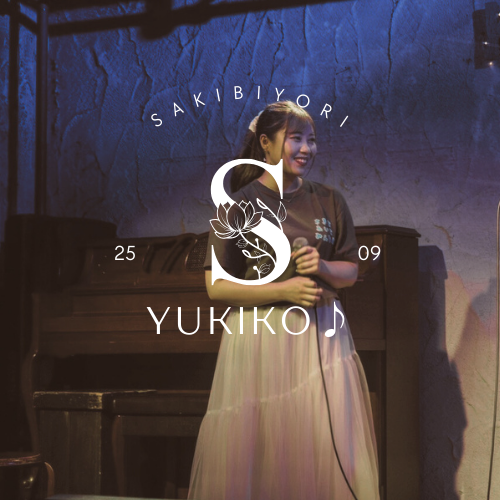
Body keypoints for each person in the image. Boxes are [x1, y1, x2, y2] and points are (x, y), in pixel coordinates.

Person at [187, 101, 380, 500]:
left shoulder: (329, 199)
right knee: (262, 445)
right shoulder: (237, 204)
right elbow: (216, 286)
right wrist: (284, 291)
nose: (307, 148)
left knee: (322, 440)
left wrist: (322, 266)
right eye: (296, 138)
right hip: (262, 337)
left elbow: (350, 271)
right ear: (265, 143)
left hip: (321, 335)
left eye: (312, 140)